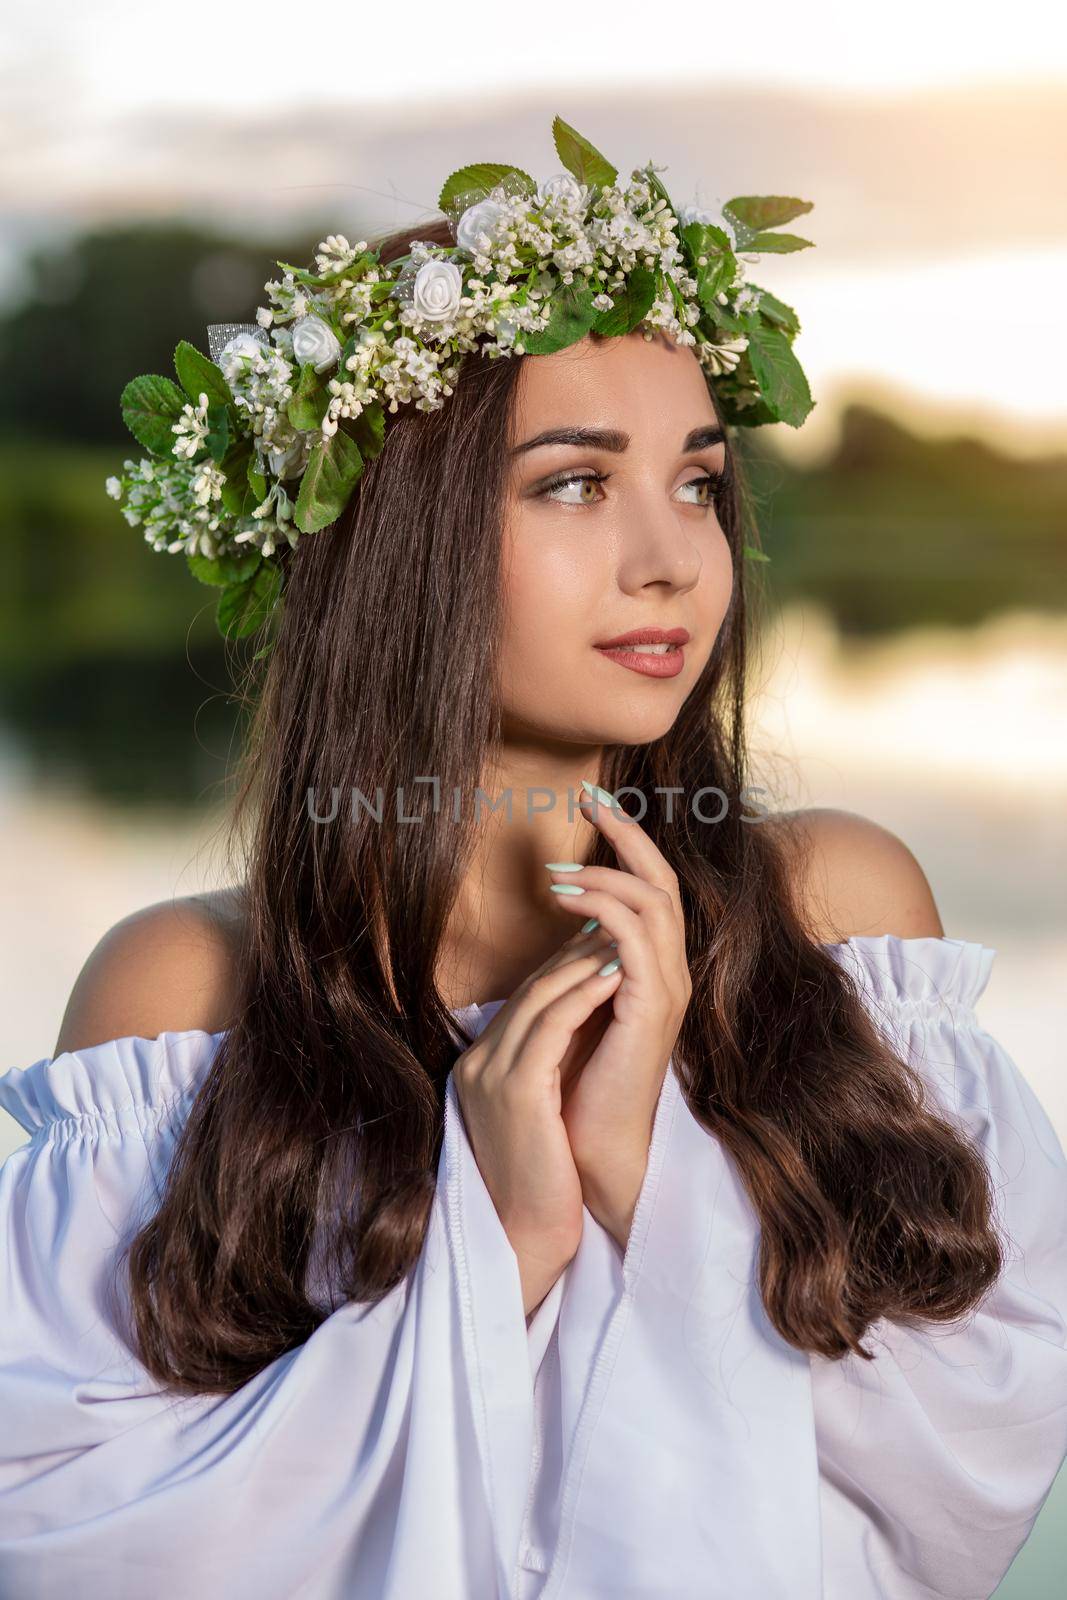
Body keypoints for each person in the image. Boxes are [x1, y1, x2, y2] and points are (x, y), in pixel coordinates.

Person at [2, 123, 1066, 1599]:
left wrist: (652, 1177)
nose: (673, 560)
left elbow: (976, 1454)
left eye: (698, 482)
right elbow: (87, 1540)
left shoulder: (841, 917)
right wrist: (506, 1247)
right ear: (399, 542)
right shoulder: (182, 1000)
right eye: (574, 483)